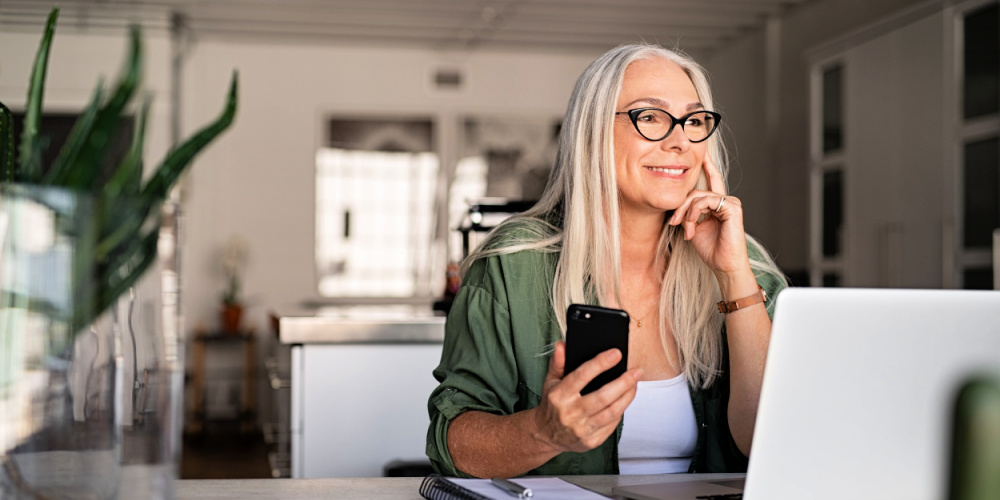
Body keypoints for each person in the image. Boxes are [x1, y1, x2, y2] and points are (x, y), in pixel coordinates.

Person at [426, 43, 787, 479]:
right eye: (650, 117)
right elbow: (453, 444)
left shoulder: (746, 266)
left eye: (694, 121)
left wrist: (733, 277)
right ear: (593, 132)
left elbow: (775, 441)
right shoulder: (514, 263)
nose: (679, 142)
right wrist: (544, 432)